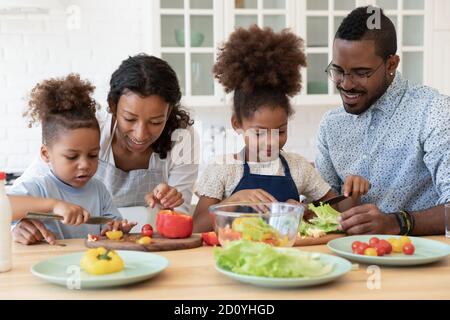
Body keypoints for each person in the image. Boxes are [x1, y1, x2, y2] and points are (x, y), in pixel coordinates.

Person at [193, 25, 370, 232]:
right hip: (238, 258)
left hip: (288, 257)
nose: (272, 141)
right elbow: (197, 226)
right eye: (259, 133)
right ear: (237, 124)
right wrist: (235, 200)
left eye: (281, 130)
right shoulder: (222, 169)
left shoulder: (298, 167)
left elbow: (338, 214)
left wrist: (345, 196)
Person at [12, 54, 199, 244]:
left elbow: (178, 218)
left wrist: (167, 206)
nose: (141, 134)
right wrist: (17, 225)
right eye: (130, 119)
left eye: (156, 122)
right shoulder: (86, 130)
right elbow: (13, 201)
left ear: (169, 113)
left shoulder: (181, 137)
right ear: (112, 106)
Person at [316, 7, 450, 235]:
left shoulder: (433, 110)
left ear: (391, 65)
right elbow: (322, 209)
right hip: (351, 260)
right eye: (338, 70)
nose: (346, 84)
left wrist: (396, 222)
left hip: (423, 264)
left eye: (361, 73)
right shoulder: (331, 125)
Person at [8, 74, 135, 244]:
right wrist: (53, 206)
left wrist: (115, 228)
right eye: (72, 156)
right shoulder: (40, 186)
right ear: (46, 154)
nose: (85, 165)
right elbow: (4, 206)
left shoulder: (99, 190)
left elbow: (110, 225)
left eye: (93, 155)